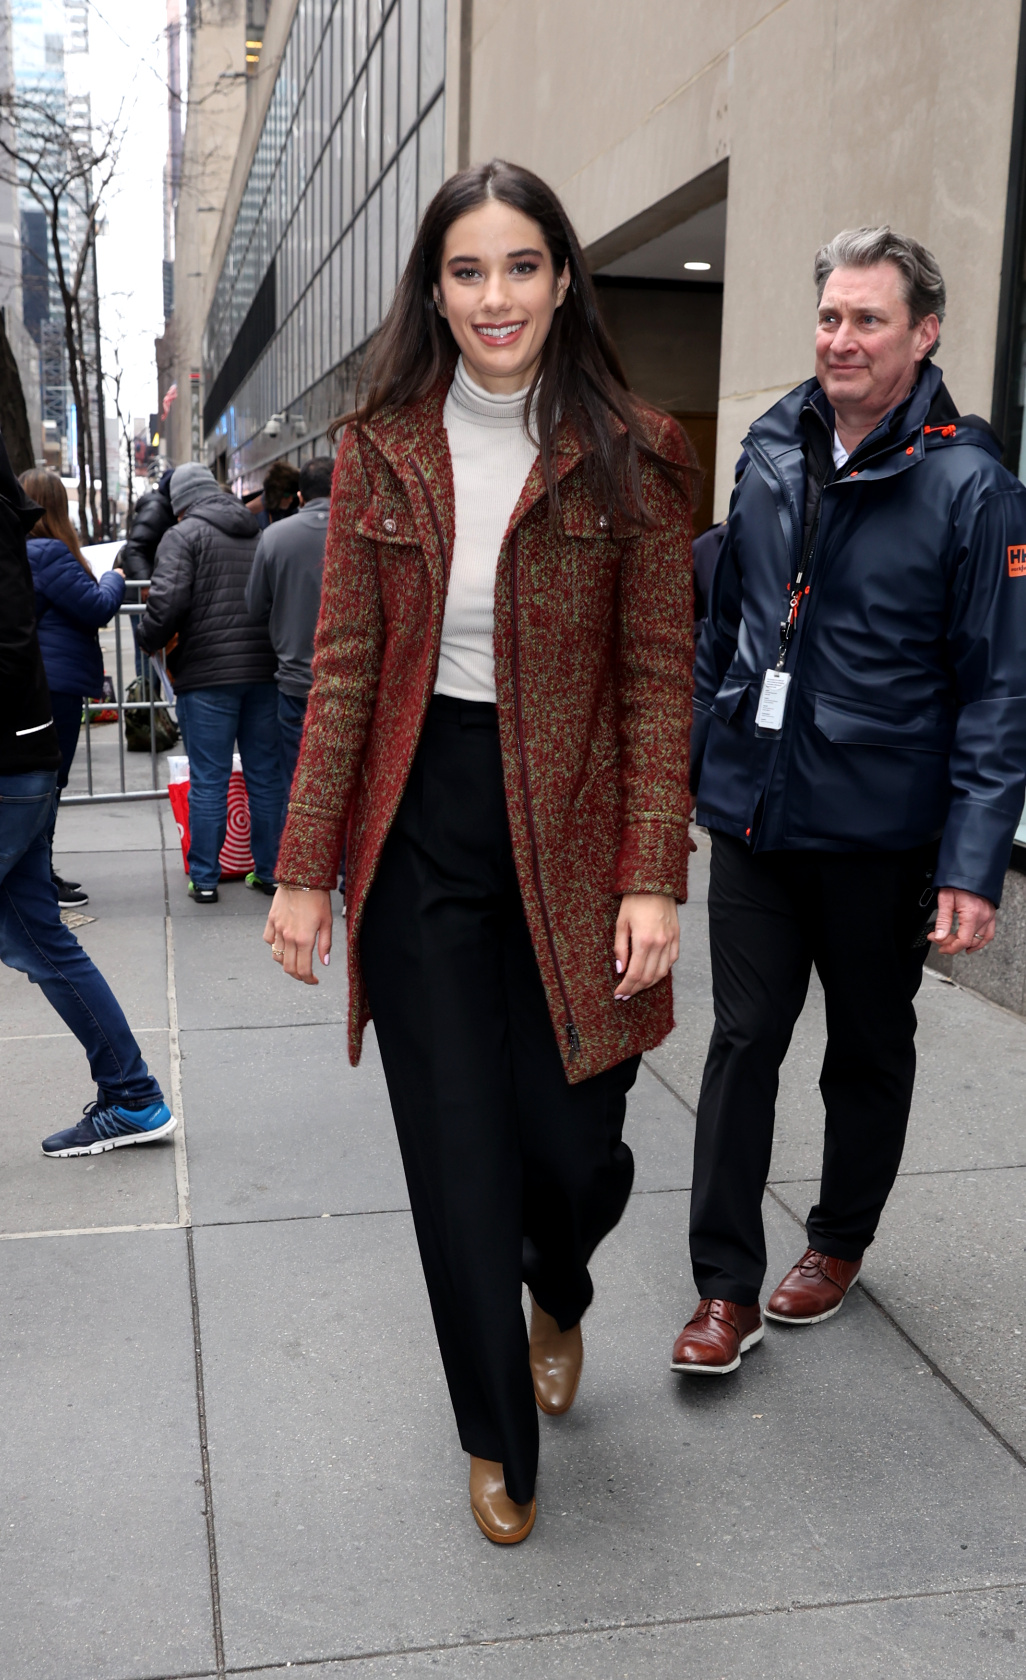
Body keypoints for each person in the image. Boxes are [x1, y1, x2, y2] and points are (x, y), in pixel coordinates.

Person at [264, 160, 694, 1544]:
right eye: (466, 271)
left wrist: (648, 872)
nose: (494, 295)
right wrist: (301, 866)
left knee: (574, 1146)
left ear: (563, 277)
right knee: (456, 1152)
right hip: (422, 825)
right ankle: (492, 1433)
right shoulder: (382, 445)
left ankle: (554, 1285)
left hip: (573, 829)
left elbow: (655, 677)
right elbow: (341, 671)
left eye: (519, 266)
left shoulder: (631, 444)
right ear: (434, 291)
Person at [671, 227, 1026, 1378]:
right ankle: (723, 1289)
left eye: (867, 319)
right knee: (740, 1042)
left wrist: (974, 862)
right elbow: (722, 621)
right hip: (758, 816)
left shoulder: (974, 488)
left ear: (923, 334)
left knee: (868, 1049)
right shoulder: (771, 447)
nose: (840, 338)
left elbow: (999, 689)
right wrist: (696, 747)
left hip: (882, 831)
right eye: (830, 315)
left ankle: (836, 1243)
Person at [0, 430, 175, 1158]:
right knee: (39, 937)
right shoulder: (28, 539)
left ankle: (133, 1094)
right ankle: (132, 1094)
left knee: (41, 938)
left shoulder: (24, 545)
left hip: (17, 754)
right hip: (28, 747)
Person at [137, 462, 281, 904]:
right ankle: (271, 871)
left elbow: (168, 601)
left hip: (205, 676)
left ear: (181, 505)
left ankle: (204, 877)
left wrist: (148, 639)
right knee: (266, 776)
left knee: (210, 779)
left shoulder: (182, 537)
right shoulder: (258, 533)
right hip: (263, 671)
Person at [22, 467, 126, 909]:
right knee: (50, 782)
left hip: (34, 680)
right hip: (56, 685)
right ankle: (38, 879)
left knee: (37, 780)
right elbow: (97, 606)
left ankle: (34, 874)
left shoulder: (19, 551)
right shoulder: (48, 553)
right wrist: (114, 577)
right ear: (55, 507)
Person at [245, 455, 334, 828]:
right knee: (349, 790)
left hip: (296, 684)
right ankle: (350, 877)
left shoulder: (274, 537)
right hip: (354, 686)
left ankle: (299, 878)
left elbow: (254, 607)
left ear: (299, 496)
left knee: (297, 790)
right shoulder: (363, 531)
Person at [119, 467, 174, 581]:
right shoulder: (156, 509)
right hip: (148, 582)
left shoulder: (161, 508)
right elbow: (135, 548)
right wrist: (144, 581)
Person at [262, 458, 300, 523]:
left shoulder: (292, 508)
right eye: (286, 495)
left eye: (294, 495)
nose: (290, 500)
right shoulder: (258, 514)